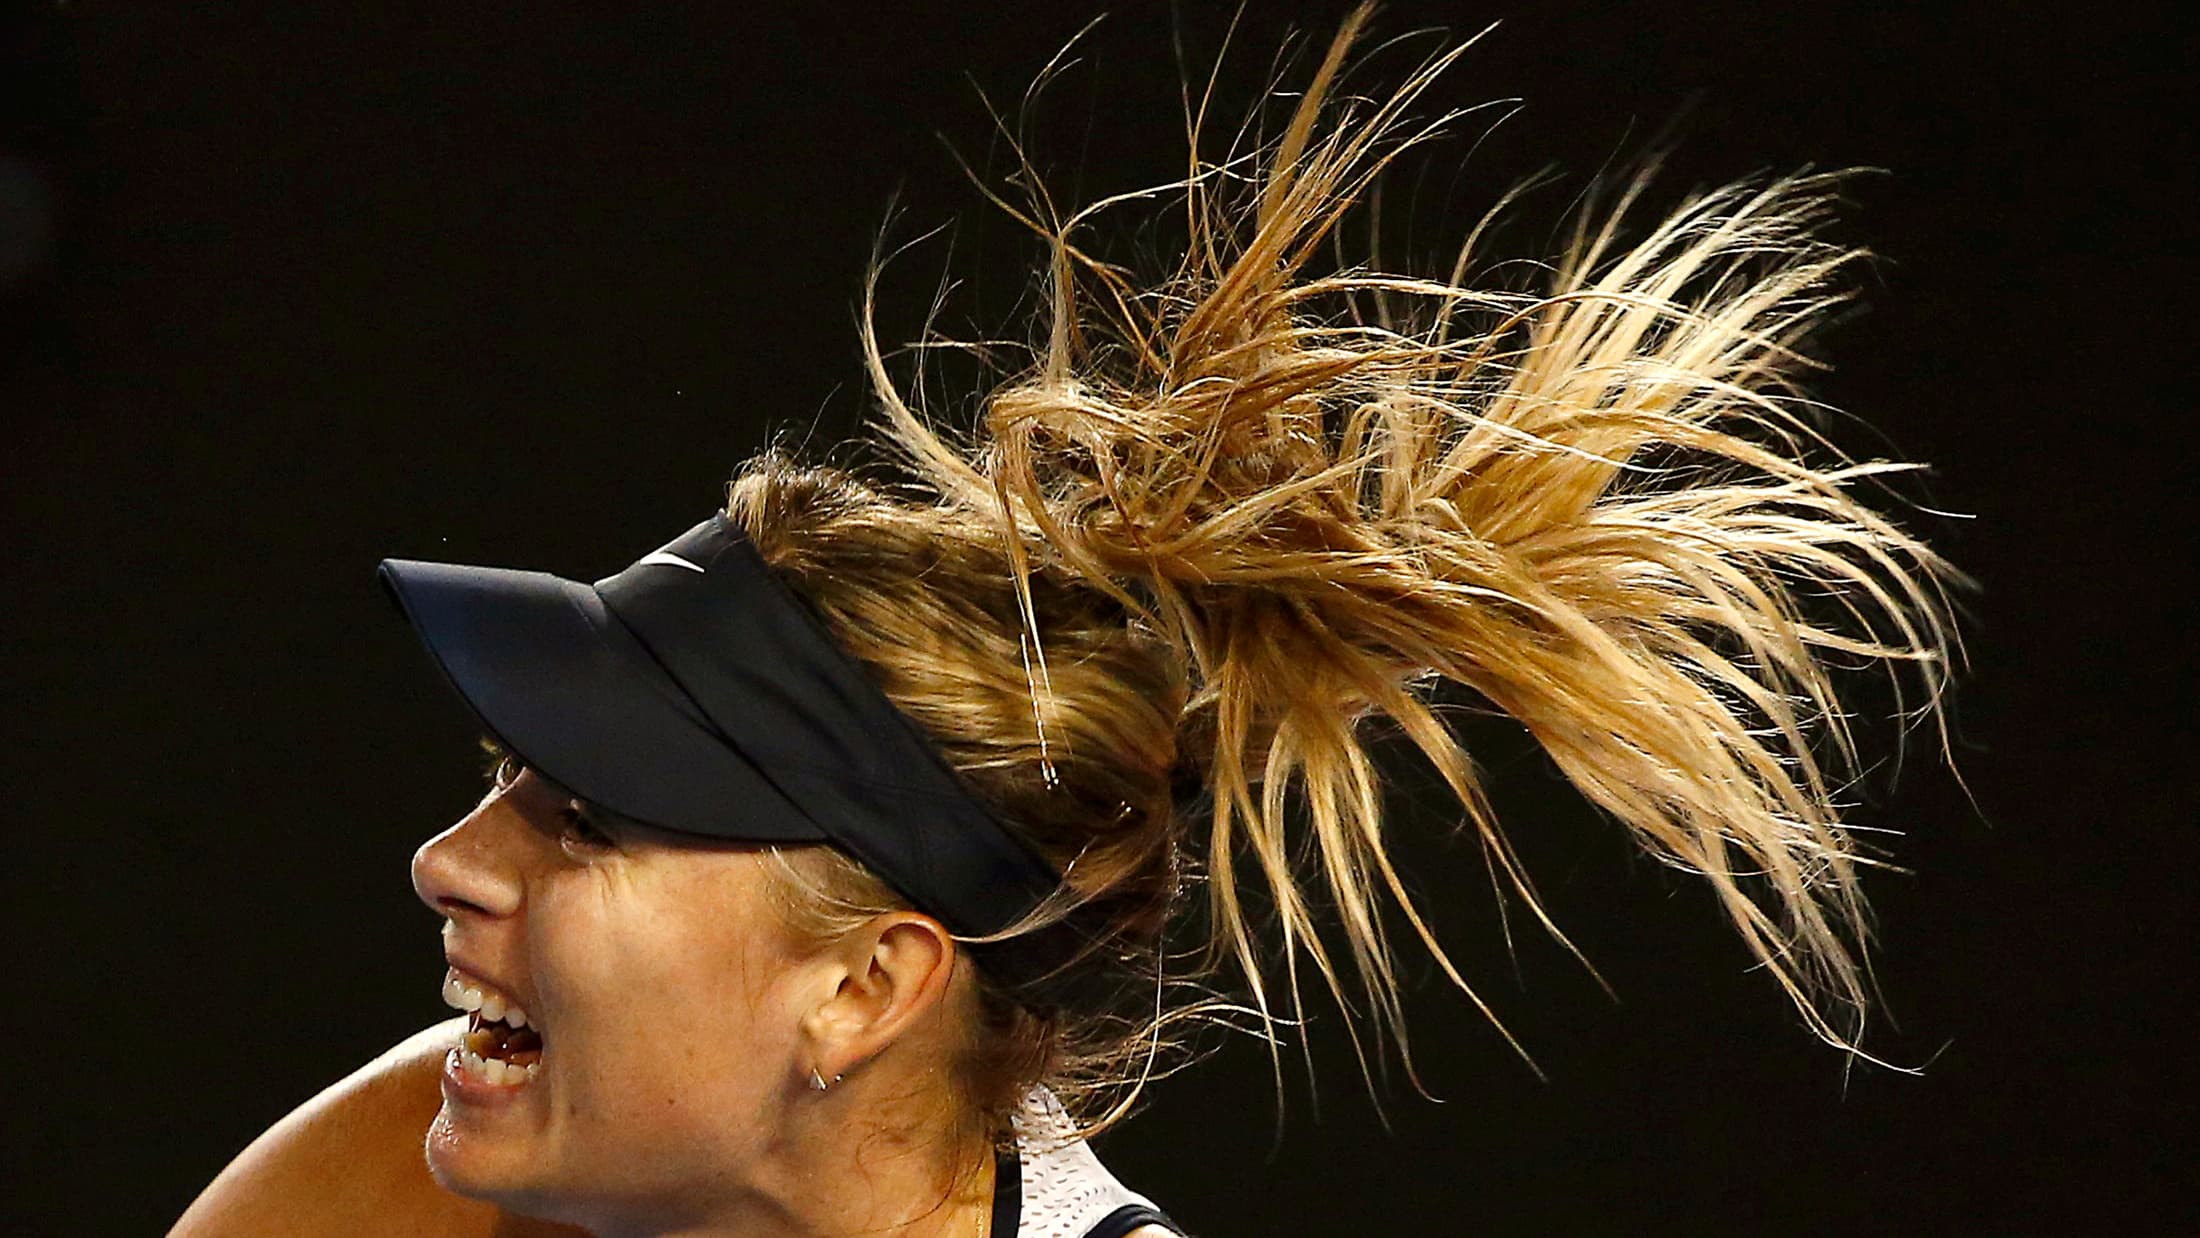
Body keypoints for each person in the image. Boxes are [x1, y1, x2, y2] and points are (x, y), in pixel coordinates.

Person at [172, 8, 1958, 1236]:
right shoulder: (441, 1169)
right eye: (508, 776)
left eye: (589, 814)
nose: (449, 859)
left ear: (864, 985)